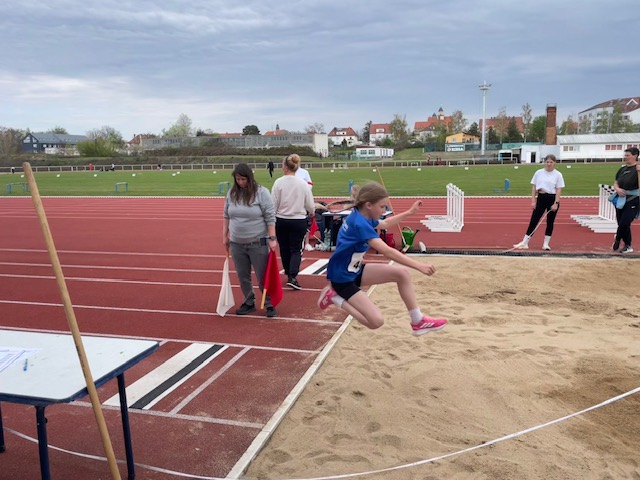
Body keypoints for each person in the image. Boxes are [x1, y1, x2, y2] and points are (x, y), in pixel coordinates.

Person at [317, 182, 448, 336]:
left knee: (402, 274)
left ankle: (417, 320)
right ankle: (335, 298)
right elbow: (386, 251)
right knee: (376, 322)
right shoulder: (360, 223)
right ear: (368, 205)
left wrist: (410, 212)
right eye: (382, 207)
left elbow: (385, 223)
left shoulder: (362, 216)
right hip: (342, 279)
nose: (384, 210)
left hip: (353, 269)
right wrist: (419, 265)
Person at [223, 163, 278, 317]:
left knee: (262, 276)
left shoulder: (262, 192)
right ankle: (248, 302)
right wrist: (224, 236)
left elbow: (270, 216)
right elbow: (226, 215)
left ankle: (269, 303)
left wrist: (272, 238)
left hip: (257, 242)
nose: (241, 182)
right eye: (238, 179)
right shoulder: (232, 193)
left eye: (243, 179)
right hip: (236, 243)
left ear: (249, 178)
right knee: (243, 275)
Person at [271, 154, 315, 290]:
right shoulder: (303, 184)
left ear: (285, 167)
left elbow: (273, 203)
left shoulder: (278, 182)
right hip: (298, 220)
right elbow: (310, 205)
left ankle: (288, 271)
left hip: (281, 220)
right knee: (296, 249)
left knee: (284, 248)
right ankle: (292, 275)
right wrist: (311, 212)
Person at [514, 154, 565, 251]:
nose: (549, 164)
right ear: (544, 162)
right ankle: (525, 242)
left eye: (551, 162)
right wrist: (533, 201)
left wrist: (556, 203)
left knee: (550, 222)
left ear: (554, 163)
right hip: (541, 198)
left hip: (552, 198)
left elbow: (559, 189)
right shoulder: (538, 173)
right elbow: (534, 187)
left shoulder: (558, 175)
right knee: (534, 220)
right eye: (547, 162)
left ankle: (546, 244)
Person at [611, 147, 640, 253]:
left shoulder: (638, 169)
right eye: (625, 155)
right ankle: (628, 245)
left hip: (633, 199)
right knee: (621, 223)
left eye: (628, 155)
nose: (625, 157)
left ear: (635, 155)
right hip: (620, 199)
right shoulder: (622, 169)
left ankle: (617, 239)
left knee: (625, 222)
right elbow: (616, 182)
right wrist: (617, 189)